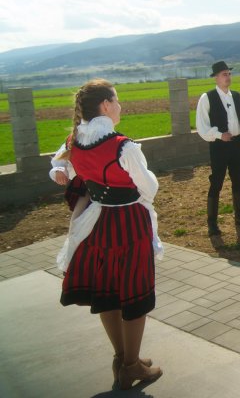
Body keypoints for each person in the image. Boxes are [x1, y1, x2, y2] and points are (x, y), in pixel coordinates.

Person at [54, 79, 163, 390]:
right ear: (105, 105)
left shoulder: (75, 139)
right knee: (134, 293)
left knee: (109, 293)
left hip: (98, 223)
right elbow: (150, 188)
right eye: (116, 100)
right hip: (129, 223)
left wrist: (59, 172)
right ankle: (132, 365)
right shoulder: (123, 146)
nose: (120, 105)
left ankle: (122, 359)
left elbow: (59, 165)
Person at [196, 61, 240, 236]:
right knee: (217, 182)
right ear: (215, 77)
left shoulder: (236, 96)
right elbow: (202, 126)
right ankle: (212, 223)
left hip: (237, 145)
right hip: (219, 147)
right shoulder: (207, 98)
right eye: (224, 74)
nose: (227, 77)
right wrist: (220, 135)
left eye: (229, 74)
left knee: (238, 180)